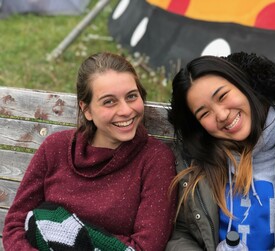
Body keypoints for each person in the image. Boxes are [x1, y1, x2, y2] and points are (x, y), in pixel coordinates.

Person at [3, 52, 177, 251]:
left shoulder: (155, 159)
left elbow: (147, 247)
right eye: (109, 101)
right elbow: (15, 225)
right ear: (86, 109)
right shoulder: (55, 148)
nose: (126, 110)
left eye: (131, 96)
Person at [165, 52, 275, 251]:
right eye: (204, 113)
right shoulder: (194, 161)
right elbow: (182, 233)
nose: (221, 115)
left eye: (223, 96)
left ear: (244, 86)